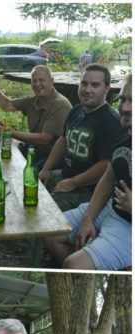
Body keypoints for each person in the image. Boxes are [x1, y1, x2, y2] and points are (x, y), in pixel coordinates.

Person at [45, 73, 131, 270]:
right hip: (109, 208)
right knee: (49, 231)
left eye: (132, 101)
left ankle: (78, 276)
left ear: (106, 88)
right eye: (123, 100)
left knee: (73, 265)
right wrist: (87, 219)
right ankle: (78, 276)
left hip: (128, 226)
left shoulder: (108, 120)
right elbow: (108, 180)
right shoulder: (125, 137)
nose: (126, 108)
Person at [38, 64, 122, 211]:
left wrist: (74, 183)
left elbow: (106, 164)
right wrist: (46, 168)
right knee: (28, 185)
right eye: (84, 83)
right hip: (65, 175)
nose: (88, 89)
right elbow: (63, 140)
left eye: (95, 85)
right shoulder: (76, 110)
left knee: (46, 210)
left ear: (106, 89)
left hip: (89, 190)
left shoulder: (111, 121)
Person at [0, 66, 73, 168]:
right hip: (35, 149)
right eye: (34, 81)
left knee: (26, 172)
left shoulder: (60, 104)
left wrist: (11, 133)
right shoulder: (32, 101)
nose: (37, 84)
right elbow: (7, 105)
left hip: (53, 157)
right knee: (1, 155)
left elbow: (45, 139)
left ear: (51, 81)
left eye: (41, 80)